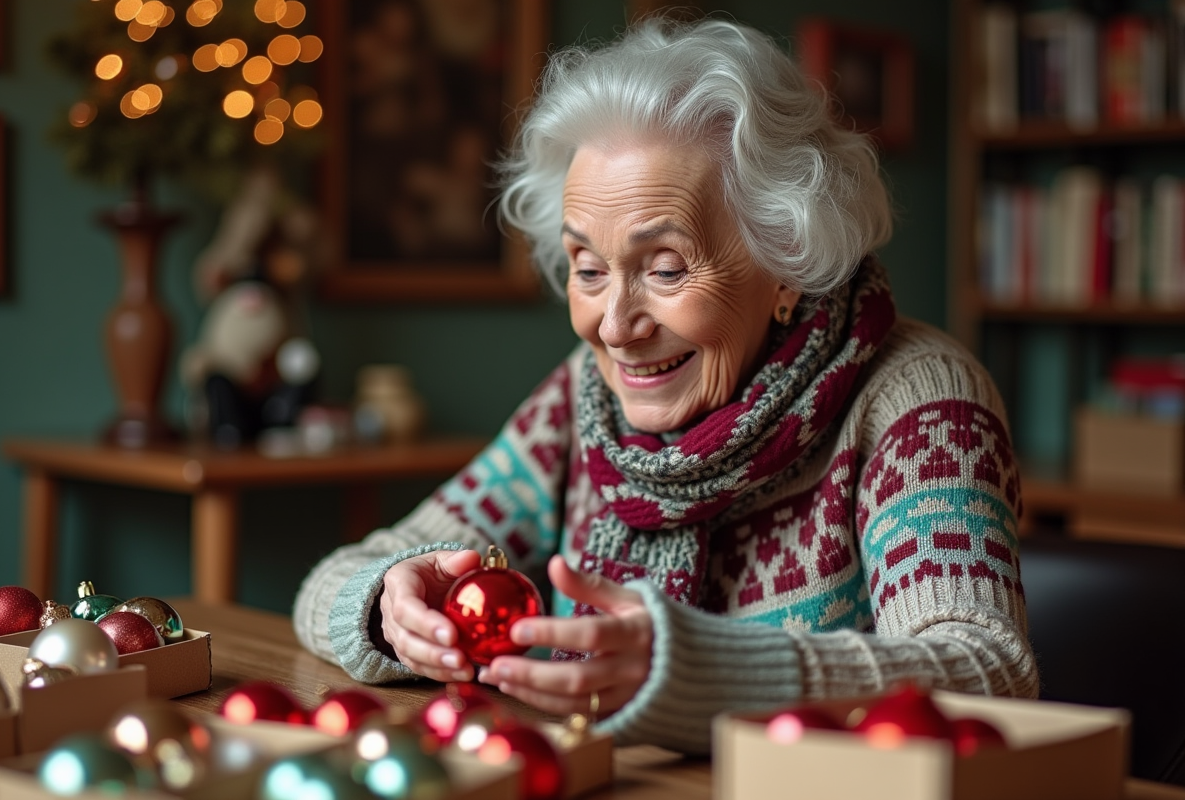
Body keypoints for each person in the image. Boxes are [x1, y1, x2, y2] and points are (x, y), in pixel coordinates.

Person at [293, 17, 1038, 754]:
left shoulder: (919, 402)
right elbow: (335, 579)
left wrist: (701, 671)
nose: (614, 326)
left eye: (666, 268)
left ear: (785, 256)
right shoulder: (583, 400)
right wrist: (389, 606)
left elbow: (985, 670)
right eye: (588, 268)